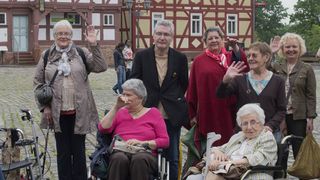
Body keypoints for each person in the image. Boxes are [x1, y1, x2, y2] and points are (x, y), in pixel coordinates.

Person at [33, 20, 107, 180]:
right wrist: (44, 107)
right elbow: (38, 84)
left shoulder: (81, 53)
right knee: (63, 153)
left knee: (79, 152)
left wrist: (94, 45)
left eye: (66, 33)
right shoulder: (46, 56)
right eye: (60, 33)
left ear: (71, 36)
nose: (63, 36)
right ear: (54, 36)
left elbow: (101, 67)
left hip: (79, 112)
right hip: (56, 114)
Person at [130, 19, 188, 180]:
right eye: (159, 33)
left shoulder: (180, 58)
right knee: (145, 154)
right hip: (147, 113)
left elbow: (184, 84)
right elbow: (134, 82)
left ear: (172, 37)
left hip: (171, 115)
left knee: (173, 156)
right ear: (153, 36)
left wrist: (172, 100)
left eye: (166, 34)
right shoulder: (142, 56)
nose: (162, 37)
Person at [185, 27, 249, 163]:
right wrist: (192, 114)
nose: (214, 40)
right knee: (212, 147)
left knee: (234, 145)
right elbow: (192, 89)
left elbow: (246, 67)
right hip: (210, 110)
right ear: (205, 42)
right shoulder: (199, 61)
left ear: (222, 40)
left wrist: (236, 48)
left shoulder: (231, 57)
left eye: (217, 37)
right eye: (210, 38)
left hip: (231, 110)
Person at [98, 79, 169, 180]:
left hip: (145, 153)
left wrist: (144, 143)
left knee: (139, 159)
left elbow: (165, 140)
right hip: (120, 151)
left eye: (128, 95)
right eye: (123, 94)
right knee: (119, 158)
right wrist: (116, 107)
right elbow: (102, 129)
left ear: (140, 97)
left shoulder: (154, 113)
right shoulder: (119, 112)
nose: (124, 98)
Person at [216, 42, 286, 142]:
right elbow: (221, 95)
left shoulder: (278, 81)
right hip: (244, 134)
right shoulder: (240, 79)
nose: (250, 58)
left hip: (268, 134)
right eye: (248, 55)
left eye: (254, 55)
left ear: (266, 57)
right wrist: (225, 81)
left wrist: (270, 126)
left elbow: (281, 109)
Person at [186, 103, 278, 180]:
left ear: (261, 122)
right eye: (245, 123)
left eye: (253, 122)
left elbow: (257, 159)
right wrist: (217, 151)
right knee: (192, 178)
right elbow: (218, 149)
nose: (249, 127)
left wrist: (226, 163)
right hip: (227, 173)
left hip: (250, 174)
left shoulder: (266, 137)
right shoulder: (239, 136)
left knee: (212, 177)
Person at [269, 33, 317, 158]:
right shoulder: (276, 67)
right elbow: (263, 68)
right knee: (280, 151)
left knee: (299, 152)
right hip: (279, 116)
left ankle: (302, 175)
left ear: (300, 48)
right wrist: (272, 53)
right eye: (287, 47)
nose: (291, 50)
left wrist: (310, 118)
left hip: (299, 117)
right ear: (283, 50)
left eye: (294, 47)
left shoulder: (307, 68)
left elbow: (311, 95)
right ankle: (281, 176)